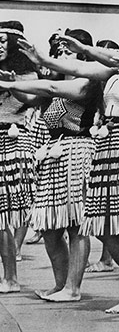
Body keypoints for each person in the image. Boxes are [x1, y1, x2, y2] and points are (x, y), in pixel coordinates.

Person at [21, 10, 119, 313]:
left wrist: (86, 49)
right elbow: (79, 68)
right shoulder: (116, 67)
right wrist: (45, 60)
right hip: (113, 140)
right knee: (103, 223)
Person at [5, 29, 100, 302]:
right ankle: (61, 284)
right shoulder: (55, 82)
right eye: (59, 52)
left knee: (75, 224)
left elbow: (49, 89)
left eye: (68, 52)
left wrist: (12, 84)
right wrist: (13, 84)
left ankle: (73, 287)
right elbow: (33, 98)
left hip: (77, 152)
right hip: (52, 155)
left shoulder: (86, 83)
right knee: (49, 226)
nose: (62, 56)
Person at [0, 21, 36, 293]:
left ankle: (11, 278)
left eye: (3, 41)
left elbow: (30, 99)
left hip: (11, 141)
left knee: (4, 215)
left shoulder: (26, 74)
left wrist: (10, 83)